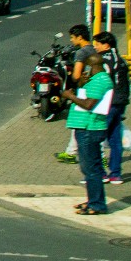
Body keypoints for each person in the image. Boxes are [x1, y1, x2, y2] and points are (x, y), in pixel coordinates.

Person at [61, 50, 115, 215]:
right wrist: (80, 86)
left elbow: (89, 104)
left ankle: (97, 204)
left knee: (90, 168)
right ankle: (93, 200)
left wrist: (69, 96)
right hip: (85, 127)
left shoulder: (100, 80)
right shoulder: (95, 79)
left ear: (91, 65)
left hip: (90, 128)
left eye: (85, 66)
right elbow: (87, 96)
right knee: (90, 168)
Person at [94, 31, 130, 186]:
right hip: (120, 103)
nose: (95, 47)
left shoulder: (103, 61)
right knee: (115, 140)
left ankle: (100, 173)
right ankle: (116, 174)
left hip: (107, 104)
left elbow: (102, 83)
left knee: (96, 138)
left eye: (98, 44)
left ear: (106, 45)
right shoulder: (121, 60)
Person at [57, 24, 94, 163]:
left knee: (81, 122)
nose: (71, 40)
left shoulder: (81, 53)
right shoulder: (93, 49)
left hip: (84, 91)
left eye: (73, 37)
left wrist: (72, 77)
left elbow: (77, 75)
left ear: (80, 37)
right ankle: (70, 152)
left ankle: (97, 157)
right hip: (94, 90)